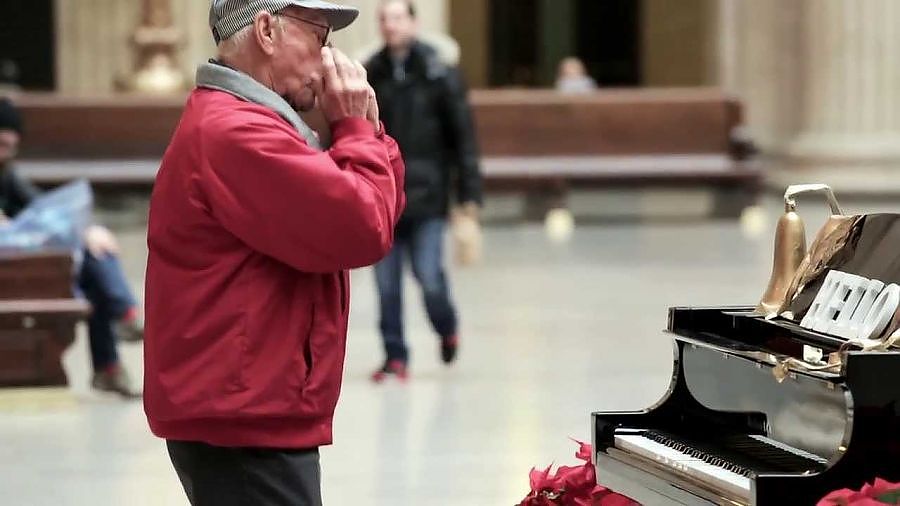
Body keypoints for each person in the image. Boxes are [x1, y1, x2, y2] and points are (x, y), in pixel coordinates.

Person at [143, 1, 405, 504]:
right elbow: (362, 227)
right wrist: (355, 128)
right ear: (266, 30)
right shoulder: (237, 132)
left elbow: (379, 210)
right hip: (242, 419)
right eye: (320, 37)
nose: (332, 59)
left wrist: (363, 131)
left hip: (248, 407)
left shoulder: (251, 122)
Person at [365, 0, 483, 382]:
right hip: (384, 198)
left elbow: (463, 138)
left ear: (414, 24)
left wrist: (469, 194)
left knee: (429, 276)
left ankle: (447, 328)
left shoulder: (439, 73)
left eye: (398, 18)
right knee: (386, 285)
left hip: (428, 195)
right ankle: (395, 356)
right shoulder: (370, 75)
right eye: (384, 19)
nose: (390, 26)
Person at [0, 98, 143, 398]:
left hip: (19, 266)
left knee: (94, 255)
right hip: (11, 273)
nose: (4, 155)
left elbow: (45, 211)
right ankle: (124, 317)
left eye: (9, 148)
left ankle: (113, 353)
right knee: (87, 265)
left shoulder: (7, 176)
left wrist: (87, 229)